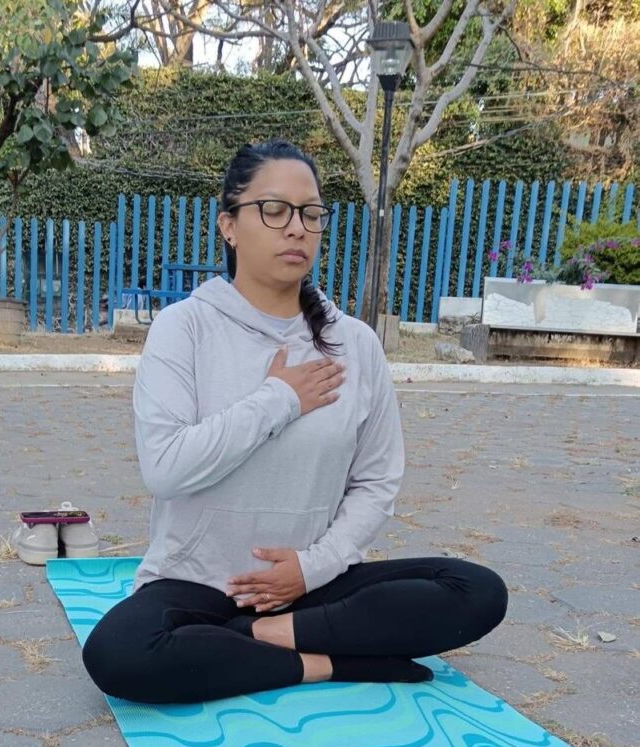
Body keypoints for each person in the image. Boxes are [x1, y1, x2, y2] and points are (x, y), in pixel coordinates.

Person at [82, 139, 508, 704]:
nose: (297, 228)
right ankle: (326, 664)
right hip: (198, 584)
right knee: (117, 653)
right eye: (274, 210)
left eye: (311, 213)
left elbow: (376, 480)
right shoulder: (182, 328)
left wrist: (311, 568)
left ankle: (250, 641)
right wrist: (278, 399)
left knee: (476, 591)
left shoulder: (354, 343)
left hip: (310, 587)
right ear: (229, 226)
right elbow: (165, 469)